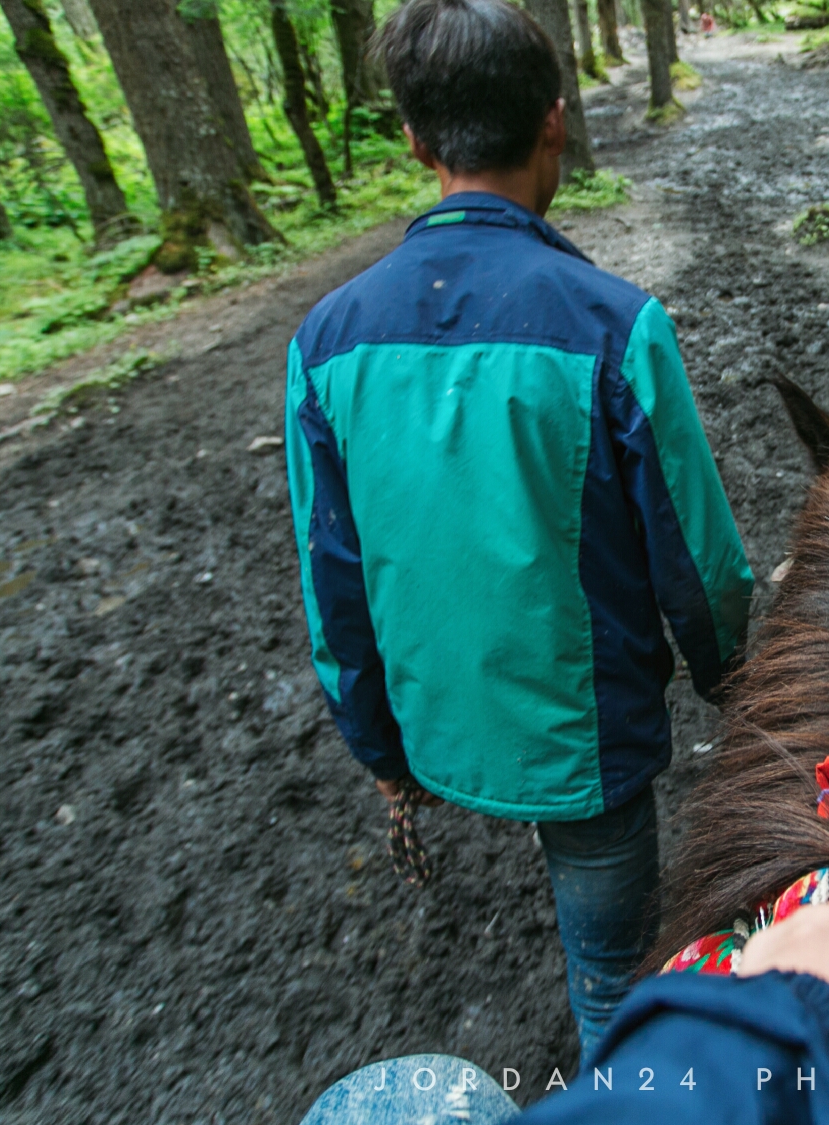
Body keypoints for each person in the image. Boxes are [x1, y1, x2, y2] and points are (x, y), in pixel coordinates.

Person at [283, 0, 752, 1067]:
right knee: (613, 984)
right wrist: (731, 677)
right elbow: (701, 557)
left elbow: (332, 580)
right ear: (555, 122)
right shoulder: (612, 323)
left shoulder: (325, 342)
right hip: (580, 746)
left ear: (412, 138)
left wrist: (379, 748)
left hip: (435, 722)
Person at [300, 895, 829, 1125]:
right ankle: (611, 1045)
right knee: (608, 958)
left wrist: (385, 756)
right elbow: (696, 571)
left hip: (455, 743)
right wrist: (823, 1036)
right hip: (592, 757)